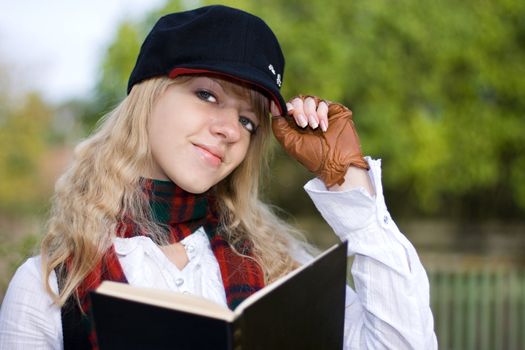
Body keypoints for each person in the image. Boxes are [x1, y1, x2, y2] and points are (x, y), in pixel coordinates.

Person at [0, 5, 437, 349]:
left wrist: (347, 179)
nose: (230, 129)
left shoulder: (283, 269)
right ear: (148, 95)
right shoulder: (48, 288)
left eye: (248, 121)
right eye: (207, 95)